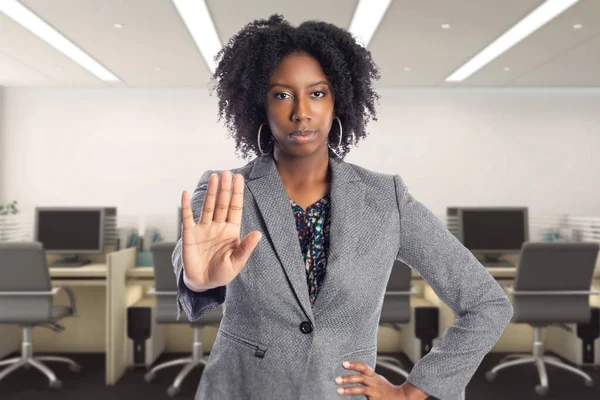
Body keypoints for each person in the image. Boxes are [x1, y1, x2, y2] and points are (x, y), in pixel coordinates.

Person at [172, 14, 513, 400]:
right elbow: (194, 273)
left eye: (317, 93)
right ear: (258, 104)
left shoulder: (386, 199)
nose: (301, 111)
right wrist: (198, 281)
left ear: (338, 102)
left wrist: (414, 391)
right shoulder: (225, 190)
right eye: (281, 95)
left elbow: (486, 303)